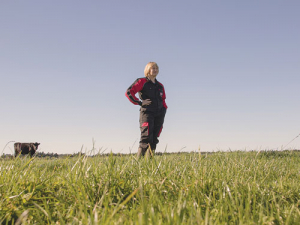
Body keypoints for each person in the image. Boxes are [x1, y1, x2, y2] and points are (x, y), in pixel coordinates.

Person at [126, 62, 167, 158]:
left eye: (156, 68)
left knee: (154, 138)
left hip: (159, 113)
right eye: (153, 68)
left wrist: (164, 109)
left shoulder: (160, 85)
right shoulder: (142, 81)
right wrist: (140, 102)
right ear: (148, 70)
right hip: (147, 113)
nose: (155, 70)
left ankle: (149, 164)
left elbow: (163, 99)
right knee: (146, 137)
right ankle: (138, 164)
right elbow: (129, 92)